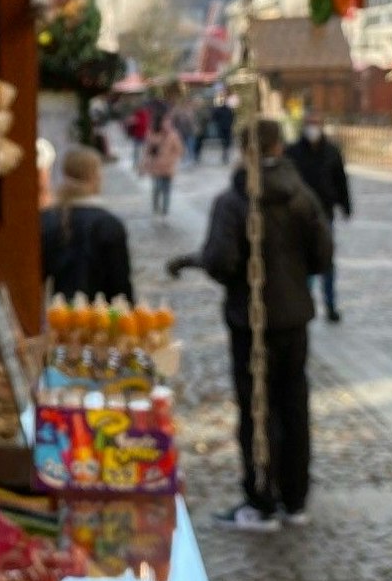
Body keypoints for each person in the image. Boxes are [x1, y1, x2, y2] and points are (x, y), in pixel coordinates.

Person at [166, 119, 333, 531]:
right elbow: (323, 255)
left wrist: (210, 267)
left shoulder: (234, 201)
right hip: (294, 316)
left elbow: (222, 261)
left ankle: (261, 500)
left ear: (245, 150)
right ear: (279, 146)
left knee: (257, 406)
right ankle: (294, 498)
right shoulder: (302, 196)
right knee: (293, 404)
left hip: (252, 319)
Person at [40, 146, 134, 303]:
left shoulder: (47, 219)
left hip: (57, 316)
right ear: (96, 177)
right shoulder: (109, 224)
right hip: (101, 319)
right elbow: (121, 288)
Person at [287, 118, 351, 323]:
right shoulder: (293, 152)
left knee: (326, 260)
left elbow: (341, 180)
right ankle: (304, 303)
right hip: (300, 215)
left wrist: (345, 205)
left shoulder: (331, 151)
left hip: (325, 213)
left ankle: (330, 304)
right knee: (304, 262)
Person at [139, 113, 187, 216]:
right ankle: (156, 207)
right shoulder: (153, 134)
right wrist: (144, 165)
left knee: (167, 189)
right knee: (157, 188)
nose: (167, 124)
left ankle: (165, 211)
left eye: (169, 122)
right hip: (156, 167)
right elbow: (147, 151)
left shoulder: (174, 135)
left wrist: (172, 159)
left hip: (168, 168)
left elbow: (180, 150)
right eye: (165, 122)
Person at [210, 99, 237, 165]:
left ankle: (225, 152)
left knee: (225, 141)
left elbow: (214, 117)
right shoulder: (228, 110)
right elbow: (233, 118)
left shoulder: (221, 110)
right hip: (226, 127)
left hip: (223, 127)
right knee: (227, 141)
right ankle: (225, 152)